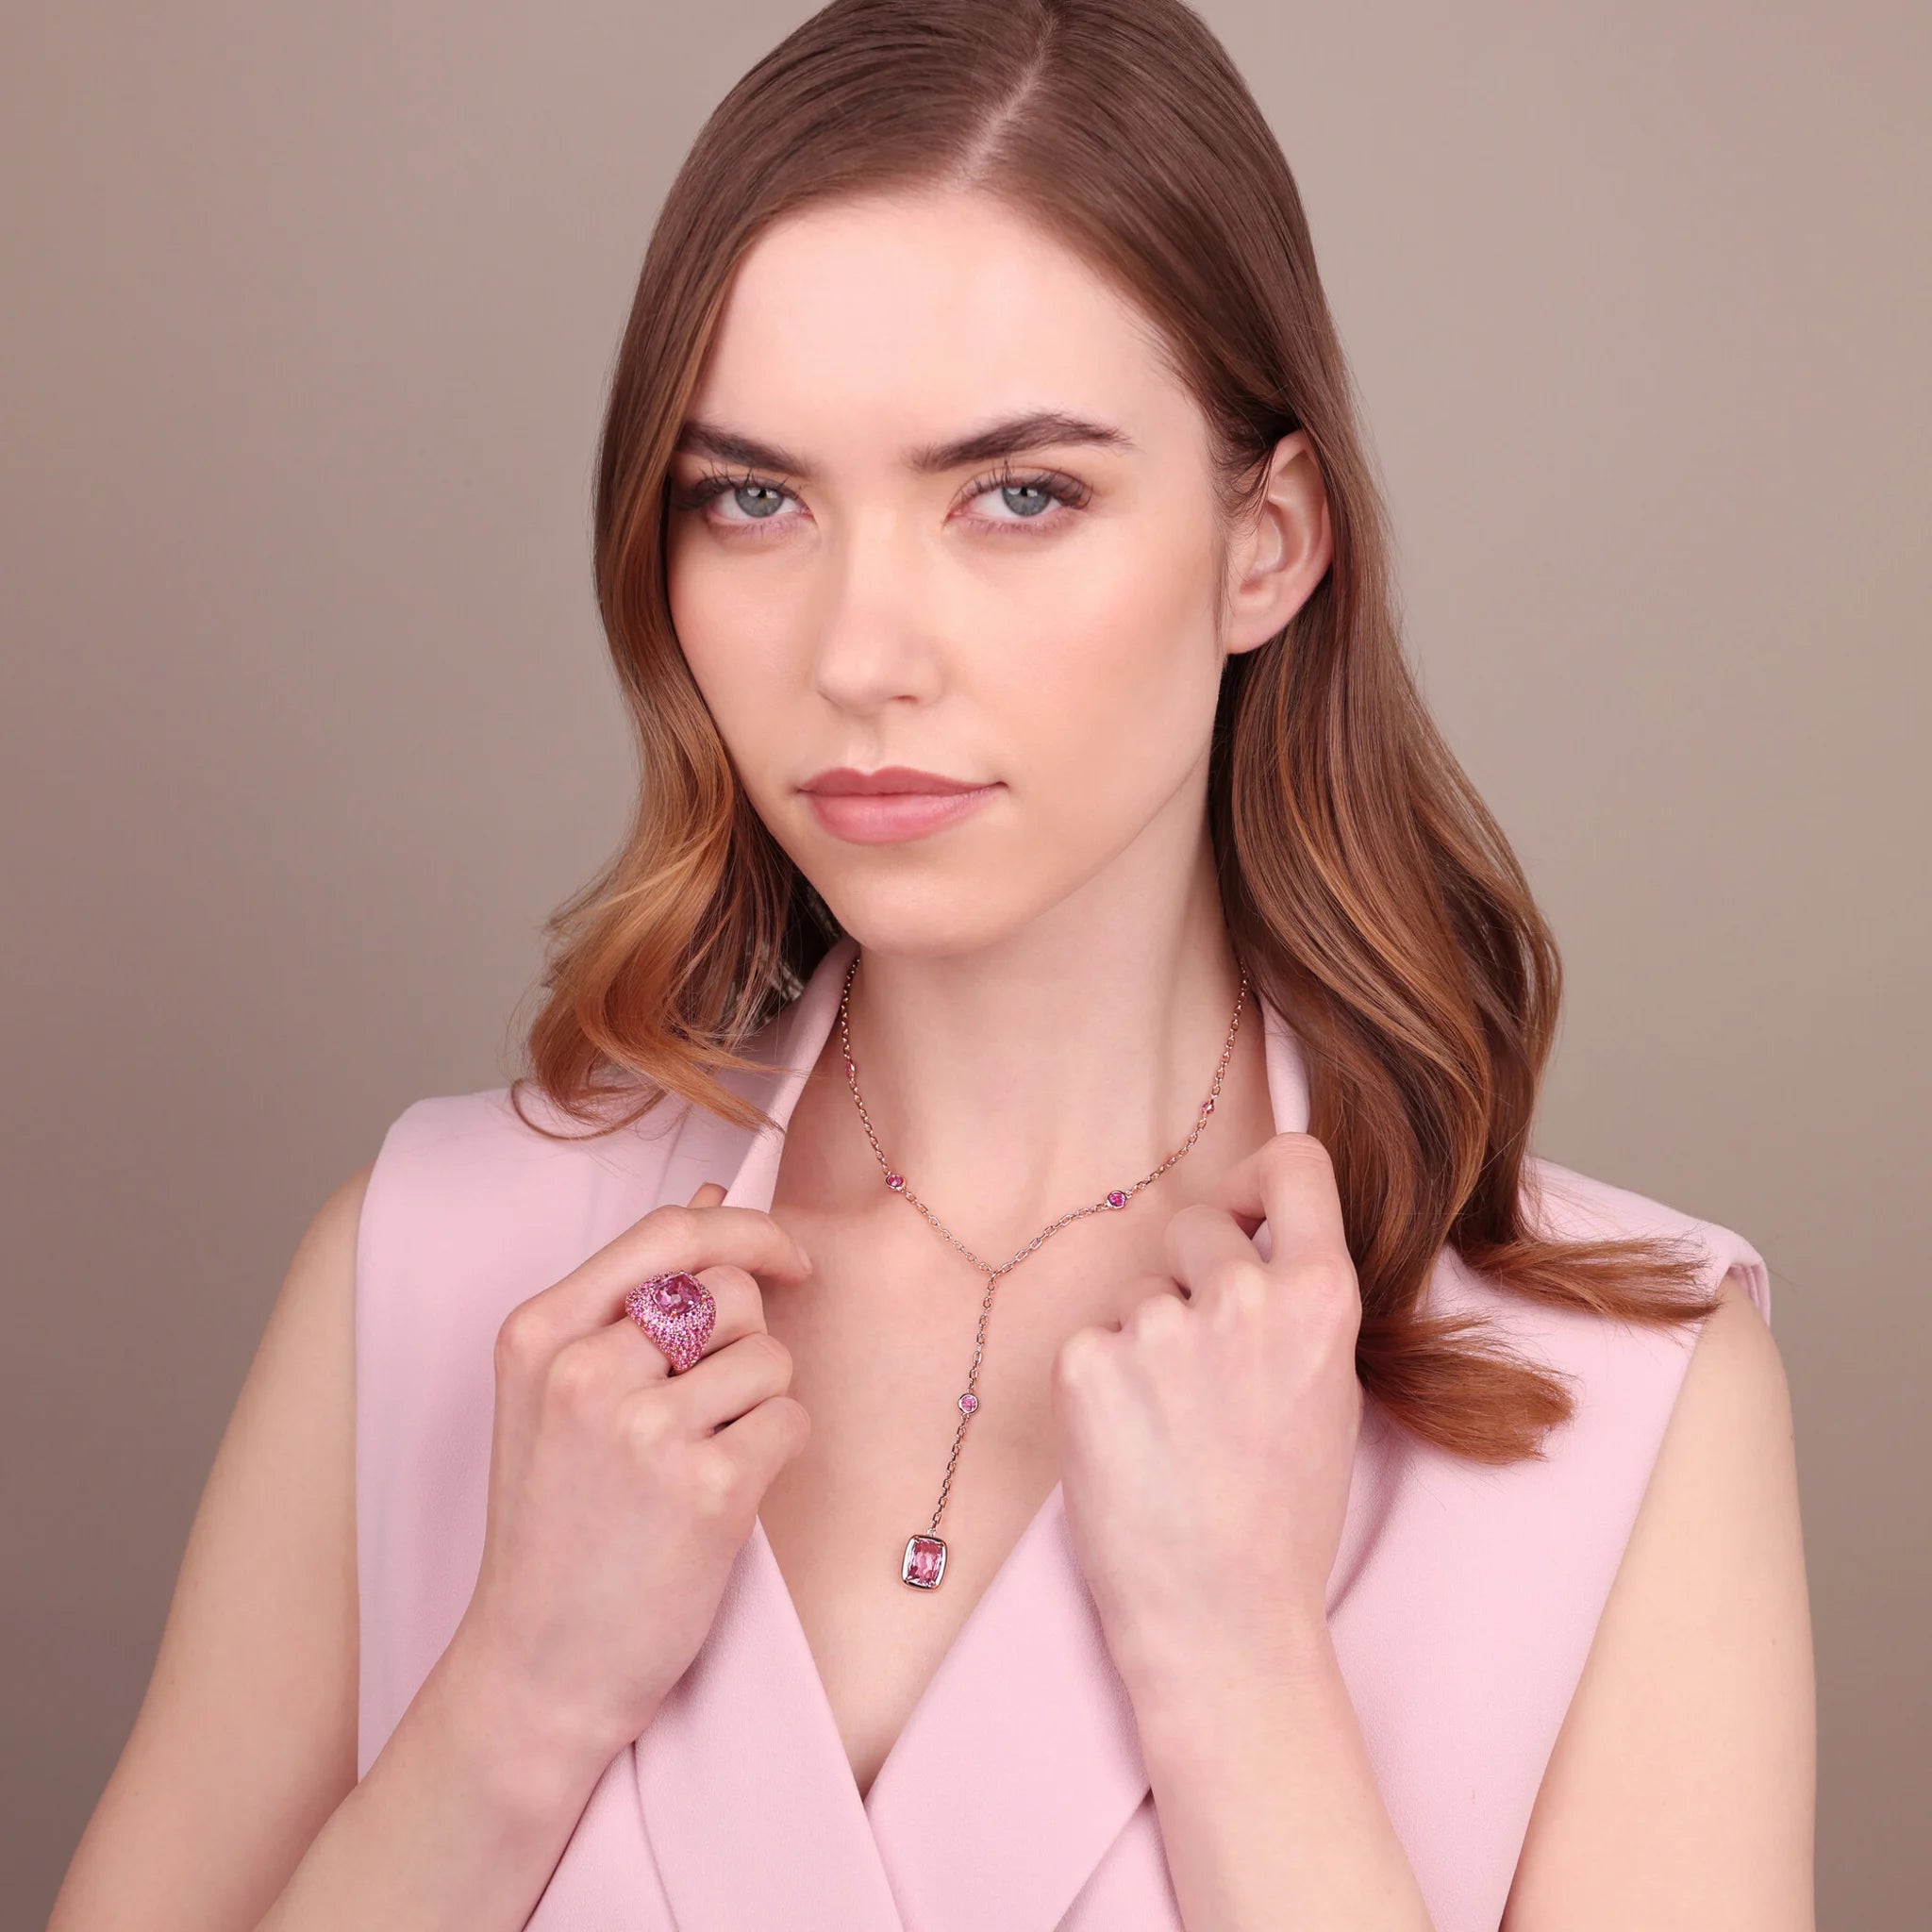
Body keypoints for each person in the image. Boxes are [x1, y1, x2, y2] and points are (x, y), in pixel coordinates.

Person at [47, 2, 1815, 1928]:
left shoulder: (1618, 1400)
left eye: (1018, 494)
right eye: (755, 498)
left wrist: (1246, 1685)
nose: (859, 651)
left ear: (1267, 543)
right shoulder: (436, 1270)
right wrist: (515, 1703)